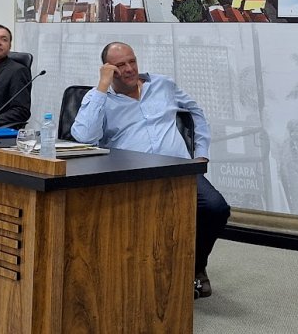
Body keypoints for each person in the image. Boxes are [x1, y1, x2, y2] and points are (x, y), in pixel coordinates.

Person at [71, 42, 230, 298]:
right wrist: (102, 87)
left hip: (177, 170)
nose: (130, 69)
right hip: (130, 175)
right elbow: (84, 137)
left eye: (132, 61)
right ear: (108, 69)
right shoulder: (98, 98)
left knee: (215, 208)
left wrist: (201, 152)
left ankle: (195, 267)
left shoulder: (162, 85)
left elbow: (196, 112)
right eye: (120, 65)